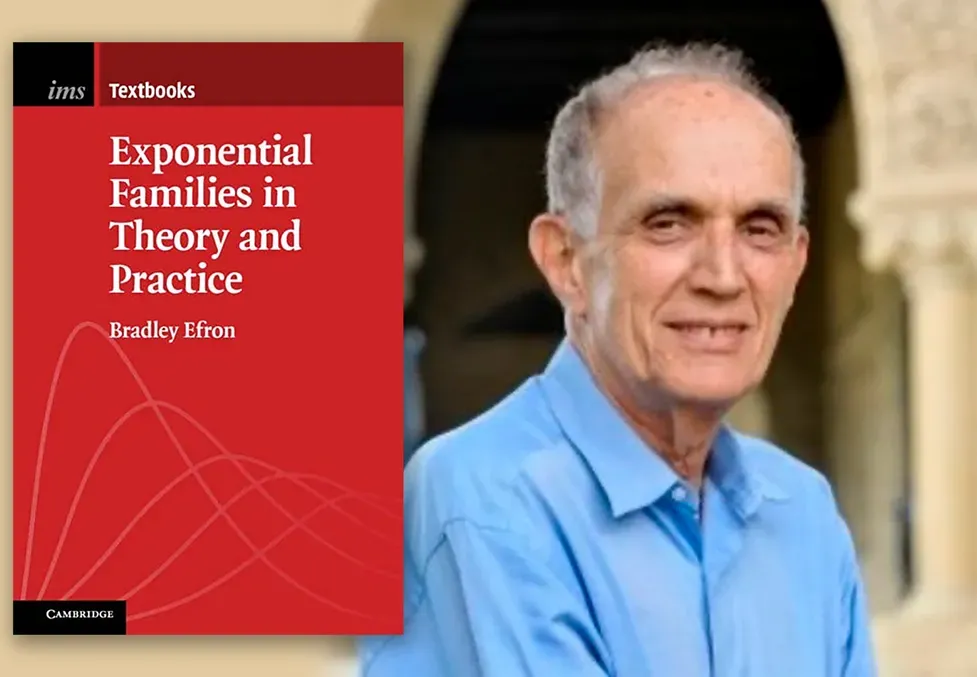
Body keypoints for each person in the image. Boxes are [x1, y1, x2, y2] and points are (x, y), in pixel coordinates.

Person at [360, 42, 877, 676]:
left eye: (759, 227)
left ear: (795, 264)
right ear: (565, 261)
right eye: (669, 222)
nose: (722, 274)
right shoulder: (480, 494)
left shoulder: (804, 513)